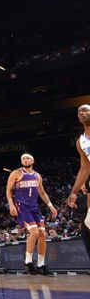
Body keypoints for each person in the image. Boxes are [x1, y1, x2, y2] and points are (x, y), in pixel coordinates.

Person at [6, 153, 57, 275]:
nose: (25, 159)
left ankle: (41, 265)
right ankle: (28, 262)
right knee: (34, 232)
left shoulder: (37, 176)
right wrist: (11, 205)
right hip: (22, 206)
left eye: (27, 157)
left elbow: (42, 192)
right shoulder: (16, 173)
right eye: (23, 158)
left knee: (42, 235)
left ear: (33, 160)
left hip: (34, 207)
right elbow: (8, 189)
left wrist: (50, 206)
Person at [66, 104, 90, 258]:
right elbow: (85, 168)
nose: (81, 112)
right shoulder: (81, 141)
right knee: (87, 227)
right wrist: (73, 192)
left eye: (85, 110)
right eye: (78, 111)